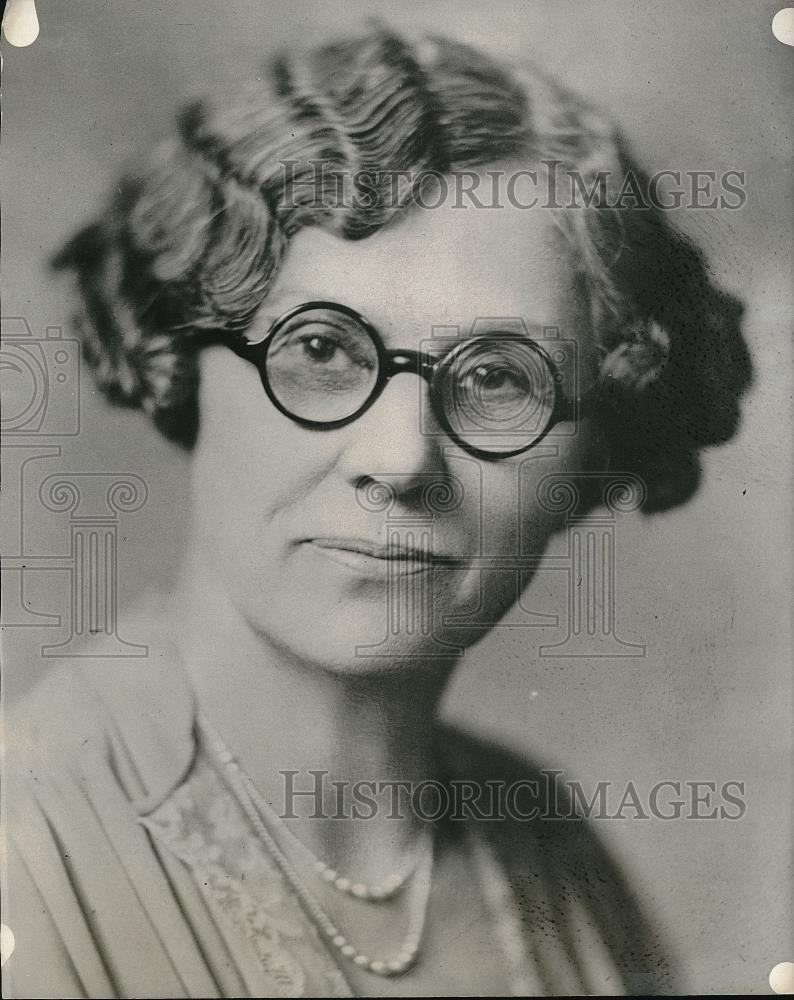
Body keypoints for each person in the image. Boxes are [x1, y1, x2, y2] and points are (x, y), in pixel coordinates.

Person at [2, 28, 750, 998]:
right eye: (319, 350)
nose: (399, 459)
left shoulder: (554, 857)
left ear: (593, 450)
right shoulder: (25, 850)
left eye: (494, 375)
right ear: (181, 358)